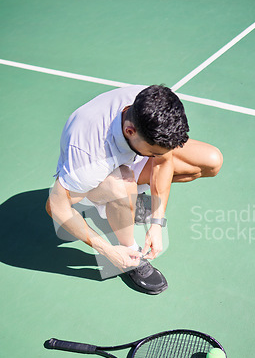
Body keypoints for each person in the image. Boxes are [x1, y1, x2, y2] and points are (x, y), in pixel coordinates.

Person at [46, 85, 223, 294]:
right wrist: (109, 252)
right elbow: (56, 207)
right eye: (154, 152)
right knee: (123, 185)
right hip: (94, 176)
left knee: (211, 161)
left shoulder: (149, 105)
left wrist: (157, 222)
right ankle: (130, 253)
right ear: (130, 131)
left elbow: (163, 161)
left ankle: (129, 201)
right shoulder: (90, 158)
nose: (159, 155)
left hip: (129, 155)